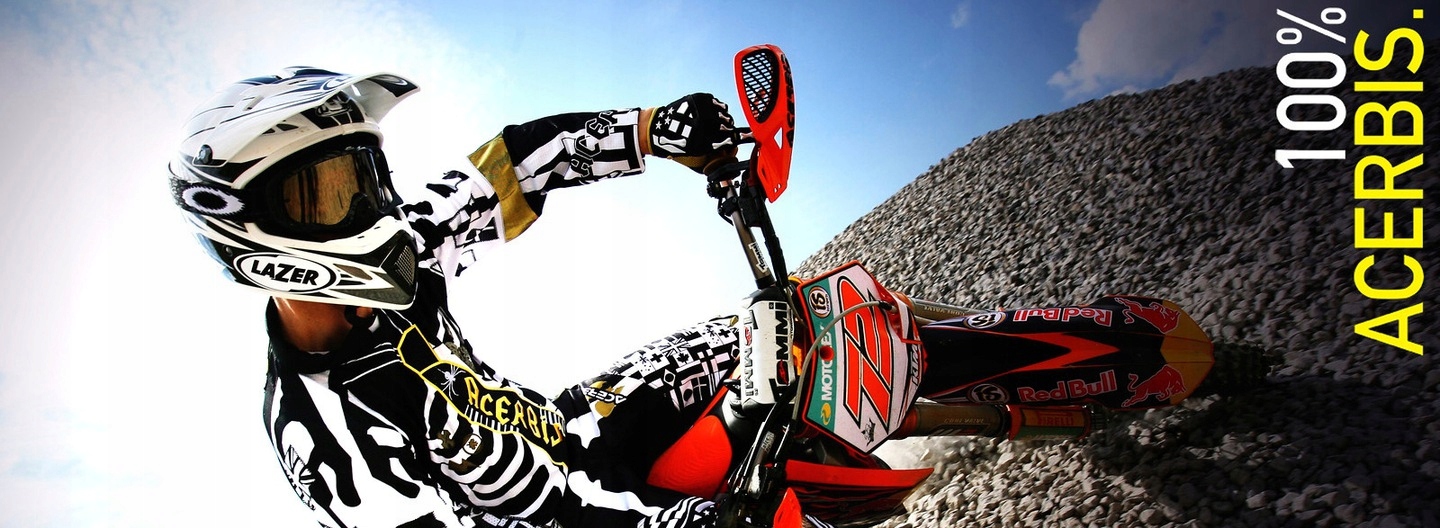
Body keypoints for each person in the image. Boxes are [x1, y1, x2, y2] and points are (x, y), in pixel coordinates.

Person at [168, 67, 747, 527]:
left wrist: (650, 129)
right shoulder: (320, 435)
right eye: (326, 194)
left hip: (576, 423)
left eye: (363, 177)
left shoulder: (403, 252)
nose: (370, 207)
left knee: (768, 326)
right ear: (251, 232)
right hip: (558, 516)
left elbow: (509, 170)